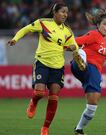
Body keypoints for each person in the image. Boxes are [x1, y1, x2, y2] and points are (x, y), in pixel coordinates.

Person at [7, 3, 79, 135]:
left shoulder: (67, 31)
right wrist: (15, 39)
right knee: (39, 93)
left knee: (54, 98)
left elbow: (74, 45)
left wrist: (73, 48)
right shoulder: (43, 23)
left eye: (66, 12)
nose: (65, 15)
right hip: (42, 62)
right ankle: (33, 102)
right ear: (54, 12)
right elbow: (26, 29)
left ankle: (45, 128)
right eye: (62, 12)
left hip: (58, 67)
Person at [70, 8, 106, 135]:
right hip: (88, 67)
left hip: (93, 73)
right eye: (104, 24)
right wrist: (66, 46)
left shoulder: (105, 41)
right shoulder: (94, 34)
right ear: (98, 25)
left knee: (92, 105)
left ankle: (79, 129)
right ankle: (80, 59)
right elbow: (75, 42)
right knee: (81, 51)